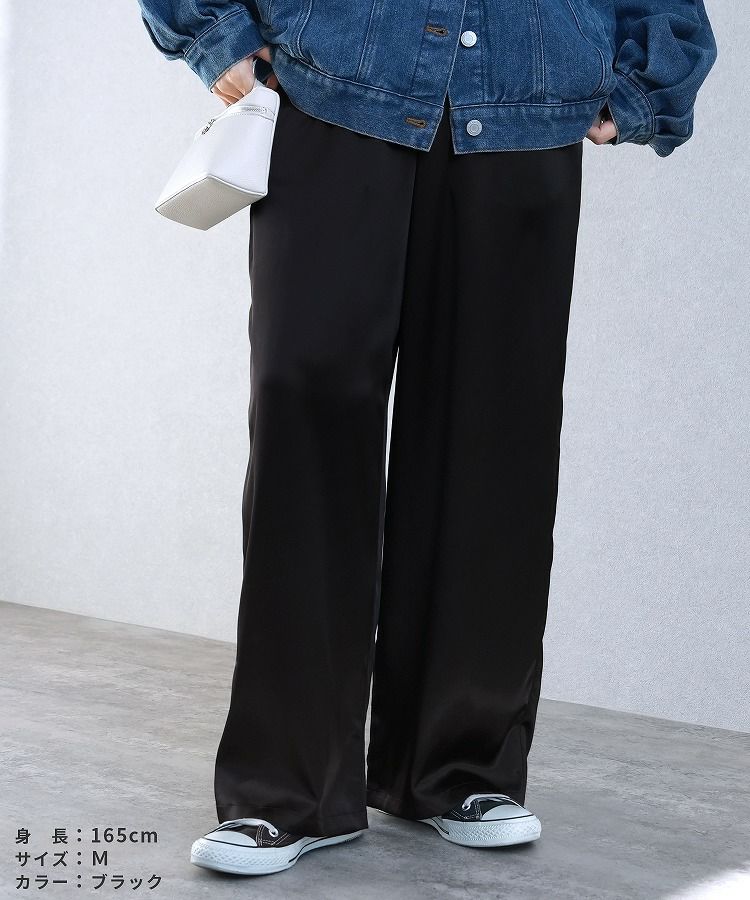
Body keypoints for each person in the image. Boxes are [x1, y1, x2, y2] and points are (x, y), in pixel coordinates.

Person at [137, 0, 717, 877]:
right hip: (334, 78)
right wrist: (213, 29)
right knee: (306, 413)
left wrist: (647, 79)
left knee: (494, 436)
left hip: (526, 95)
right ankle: (289, 787)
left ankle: (458, 767)